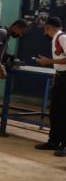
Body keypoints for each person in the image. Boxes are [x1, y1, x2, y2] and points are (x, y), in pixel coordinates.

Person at [35, 17, 66, 156]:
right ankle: (53, 141)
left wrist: (49, 61)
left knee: (63, 112)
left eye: (45, 29)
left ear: (48, 27)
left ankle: (64, 145)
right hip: (59, 76)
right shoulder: (56, 39)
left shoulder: (62, 37)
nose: (44, 33)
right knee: (55, 111)